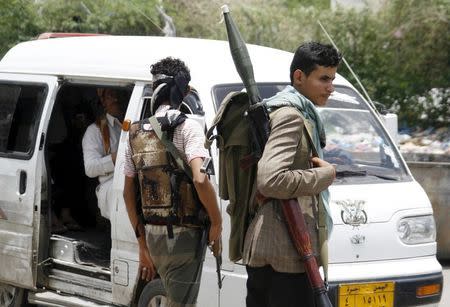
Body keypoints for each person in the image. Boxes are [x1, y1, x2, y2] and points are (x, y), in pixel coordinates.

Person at [242, 42, 342, 307]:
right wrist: (325, 176)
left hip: (277, 246)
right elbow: (270, 179)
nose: (330, 87)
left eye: (332, 79)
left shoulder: (291, 111)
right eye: (323, 79)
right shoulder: (290, 116)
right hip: (284, 250)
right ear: (299, 77)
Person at [122, 57, 222, 307]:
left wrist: (142, 244)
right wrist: (217, 223)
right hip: (184, 237)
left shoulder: (134, 132)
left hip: (154, 238)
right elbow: (200, 179)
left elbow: (127, 193)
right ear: (185, 91)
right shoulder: (188, 128)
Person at [82, 88, 125, 221]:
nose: (116, 99)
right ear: (103, 101)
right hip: (111, 188)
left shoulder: (132, 123)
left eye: (118, 95)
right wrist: (117, 157)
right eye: (111, 96)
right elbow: (90, 168)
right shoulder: (94, 131)